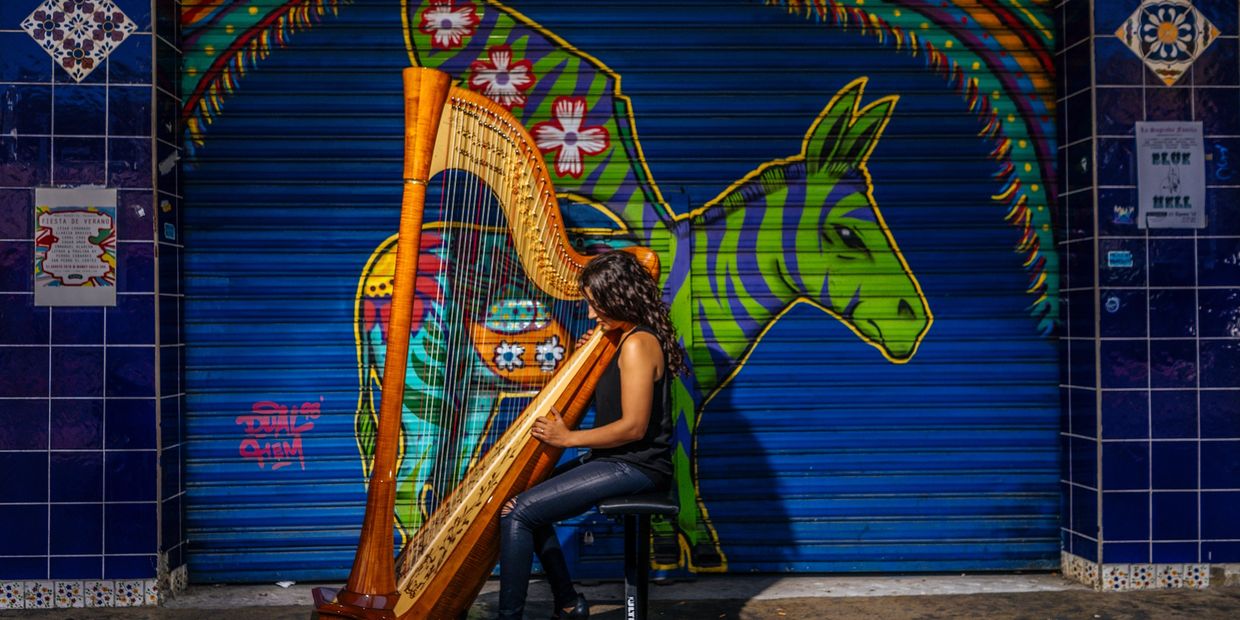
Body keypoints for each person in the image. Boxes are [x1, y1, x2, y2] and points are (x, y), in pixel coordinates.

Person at [497, 250, 686, 620]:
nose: (589, 313)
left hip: (638, 465)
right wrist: (592, 350)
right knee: (523, 501)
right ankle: (569, 604)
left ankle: (515, 616)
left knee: (517, 514)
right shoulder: (623, 338)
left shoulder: (636, 344)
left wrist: (567, 438)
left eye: (595, 304)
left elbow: (632, 427)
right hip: (618, 460)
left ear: (619, 298)